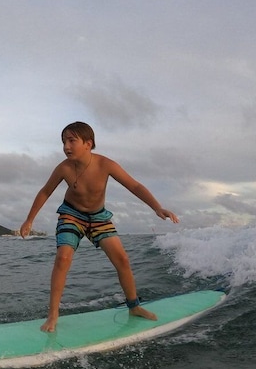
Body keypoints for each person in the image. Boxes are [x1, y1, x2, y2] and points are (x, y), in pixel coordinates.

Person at [19, 121, 179, 332]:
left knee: (122, 258)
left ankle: (134, 307)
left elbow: (134, 185)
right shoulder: (64, 168)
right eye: (64, 141)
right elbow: (45, 192)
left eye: (71, 141)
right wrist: (29, 220)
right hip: (71, 214)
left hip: (99, 217)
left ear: (88, 143)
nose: (66, 146)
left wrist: (157, 208)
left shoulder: (106, 165)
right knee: (63, 257)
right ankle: (53, 314)